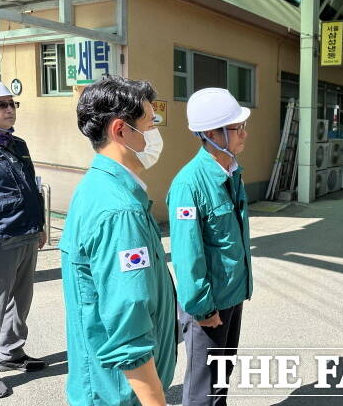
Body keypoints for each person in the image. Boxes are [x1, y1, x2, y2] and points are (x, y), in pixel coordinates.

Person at [59, 75, 176, 406]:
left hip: (107, 387)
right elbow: (129, 324)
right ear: (121, 130)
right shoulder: (120, 211)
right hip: (120, 394)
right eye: (150, 123)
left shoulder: (98, 187)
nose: (156, 134)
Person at [167, 88, 253, 406]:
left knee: (221, 374)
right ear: (211, 134)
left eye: (243, 125)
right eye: (236, 128)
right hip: (208, 304)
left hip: (231, 294)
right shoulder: (189, 184)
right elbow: (187, 254)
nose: (244, 133)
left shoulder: (230, 171)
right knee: (203, 386)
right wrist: (202, 308)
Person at [0, 80, 46, 399]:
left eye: (12, 104)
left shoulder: (18, 144)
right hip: (1, 235)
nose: (10, 110)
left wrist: (40, 225)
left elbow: (31, 186)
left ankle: (11, 353)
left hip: (27, 231)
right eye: (2, 105)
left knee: (20, 299)